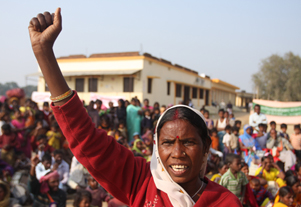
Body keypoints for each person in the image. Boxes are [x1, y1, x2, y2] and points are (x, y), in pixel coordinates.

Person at [28, 9, 241, 206]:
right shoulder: (140, 180)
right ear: (157, 147)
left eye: (188, 142)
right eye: (167, 143)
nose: (177, 153)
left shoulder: (225, 202)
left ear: (205, 146)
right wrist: (43, 51)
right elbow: (88, 141)